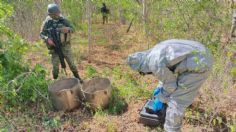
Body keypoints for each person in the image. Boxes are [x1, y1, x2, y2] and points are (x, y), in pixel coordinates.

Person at [127, 39, 213, 132]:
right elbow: (168, 72)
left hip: (198, 65)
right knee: (181, 91)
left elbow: (171, 85)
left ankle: (171, 129)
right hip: (202, 54)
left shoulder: (153, 63)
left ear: (142, 68)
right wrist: (160, 88)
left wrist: (160, 98)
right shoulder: (154, 53)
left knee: (176, 101)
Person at [40, 3, 83, 83]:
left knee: (71, 64)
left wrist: (68, 29)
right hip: (54, 47)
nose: (56, 15)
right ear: (50, 14)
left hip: (65, 46)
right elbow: (41, 34)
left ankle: (78, 78)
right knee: (55, 68)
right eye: (53, 14)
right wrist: (47, 39)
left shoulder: (64, 20)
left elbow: (73, 29)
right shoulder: (47, 22)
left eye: (57, 13)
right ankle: (55, 81)